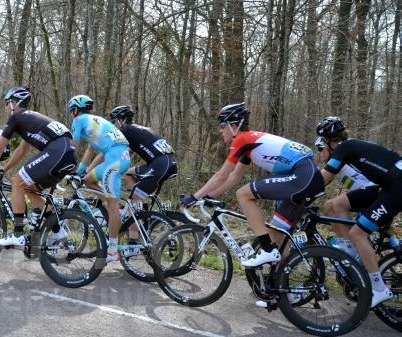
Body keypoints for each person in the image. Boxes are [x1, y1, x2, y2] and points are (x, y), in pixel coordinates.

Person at [180, 102, 323, 268]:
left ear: (234, 126)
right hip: (307, 177)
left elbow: (221, 175)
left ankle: (267, 249)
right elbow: (233, 177)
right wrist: (207, 197)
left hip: (303, 177)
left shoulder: (242, 139)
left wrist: (194, 197)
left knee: (243, 194)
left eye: (222, 125)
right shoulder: (250, 142)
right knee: (276, 234)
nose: (220, 131)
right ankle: (282, 282)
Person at [315, 116, 397, 307]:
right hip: (387, 187)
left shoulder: (343, 149)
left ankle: (378, 288)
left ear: (327, 141)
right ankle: (351, 256)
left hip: (395, 189)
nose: (319, 153)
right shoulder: (351, 145)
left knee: (358, 234)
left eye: (320, 147)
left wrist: (296, 193)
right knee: (334, 206)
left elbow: (322, 180)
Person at [0, 87, 77, 248]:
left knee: (17, 181)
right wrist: (4, 169)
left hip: (57, 150)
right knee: (28, 188)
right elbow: (21, 150)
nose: (5, 107)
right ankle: (58, 231)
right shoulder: (31, 119)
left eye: (6, 103)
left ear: (14, 103)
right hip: (69, 154)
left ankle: (18, 234)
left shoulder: (17, 117)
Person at [69, 95, 130, 262]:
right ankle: (114, 205)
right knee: (88, 180)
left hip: (114, 162)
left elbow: (72, 149)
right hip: (118, 158)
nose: (72, 115)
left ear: (75, 110)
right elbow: (90, 151)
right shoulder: (97, 121)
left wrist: (69, 168)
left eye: (71, 112)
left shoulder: (78, 120)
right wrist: (80, 171)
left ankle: (112, 250)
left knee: (112, 207)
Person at [109, 105, 178, 200]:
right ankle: (142, 209)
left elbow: (112, 149)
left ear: (122, 120)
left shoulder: (125, 130)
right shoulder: (138, 129)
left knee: (134, 198)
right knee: (126, 174)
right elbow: (129, 152)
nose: (113, 125)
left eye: (114, 121)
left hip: (160, 164)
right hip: (169, 163)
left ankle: (138, 206)